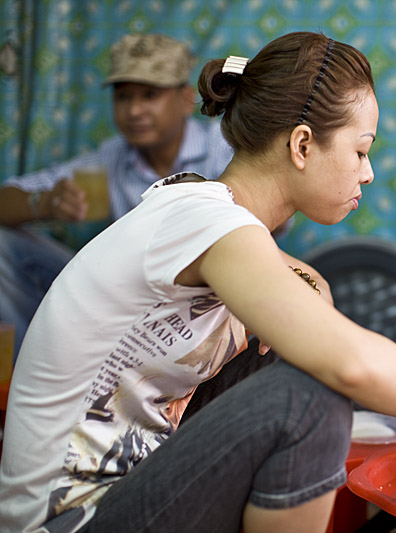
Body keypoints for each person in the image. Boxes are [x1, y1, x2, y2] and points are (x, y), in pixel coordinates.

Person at [0, 31, 396, 533]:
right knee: (314, 391)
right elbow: (348, 360)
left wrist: (308, 287)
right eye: (361, 150)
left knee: (290, 351)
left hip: (127, 488)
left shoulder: (204, 209)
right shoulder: (207, 221)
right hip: (70, 518)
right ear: (302, 145)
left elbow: (289, 274)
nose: (367, 173)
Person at [0, 33, 233, 358]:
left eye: (149, 95)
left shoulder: (222, 150)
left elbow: (273, 218)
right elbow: (8, 198)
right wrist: (46, 203)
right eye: (123, 97)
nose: (134, 110)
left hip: (202, 306)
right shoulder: (112, 158)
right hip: (126, 304)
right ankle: (29, 366)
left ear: (184, 99)